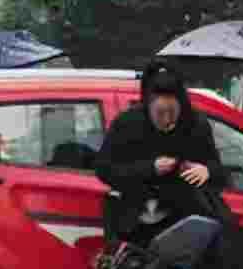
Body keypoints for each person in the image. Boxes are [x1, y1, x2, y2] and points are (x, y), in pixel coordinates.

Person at [95, 60, 226, 244]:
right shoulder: (127, 123)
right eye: (160, 112)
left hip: (185, 222)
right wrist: (150, 168)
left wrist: (207, 171)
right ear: (148, 105)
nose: (167, 120)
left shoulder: (196, 125)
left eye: (172, 112)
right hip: (135, 225)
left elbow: (219, 173)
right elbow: (103, 168)